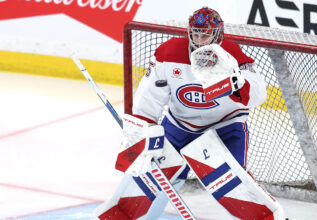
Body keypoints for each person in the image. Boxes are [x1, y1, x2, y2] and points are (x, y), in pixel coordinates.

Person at [95, 7, 284, 220]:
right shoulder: (169, 54)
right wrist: (144, 131)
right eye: (195, 34)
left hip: (225, 125)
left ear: (218, 34)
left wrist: (238, 84)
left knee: (234, 186)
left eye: (206, 34)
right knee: (155, 179)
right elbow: (149, 98)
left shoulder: (233, 55)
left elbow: (259, 94)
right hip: (179, 124)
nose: (200, 40)